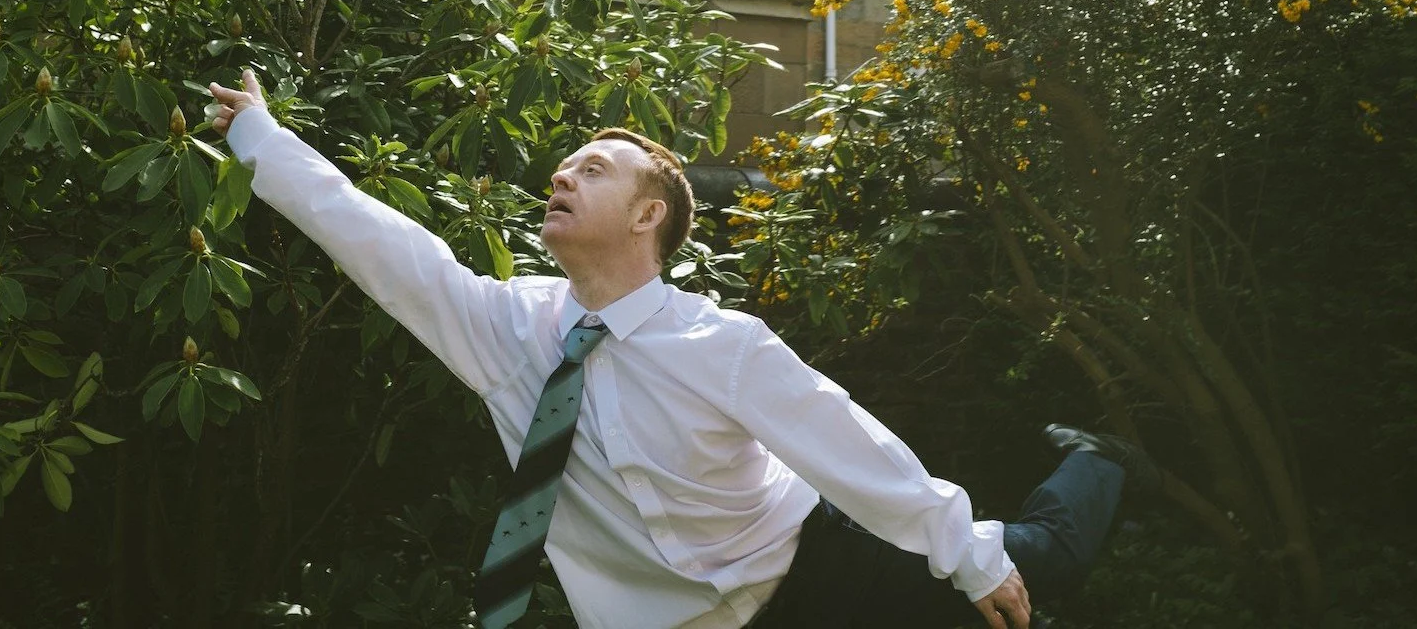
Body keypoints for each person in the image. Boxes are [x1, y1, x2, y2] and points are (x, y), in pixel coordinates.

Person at [208, 69, 1156, 629]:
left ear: (649, 214)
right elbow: (384, 246)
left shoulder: (720, 342)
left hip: (808, 567)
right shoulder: (506, 330)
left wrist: (967, 556)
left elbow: (847, 443)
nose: (563, 172)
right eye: (565, 162)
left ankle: (1095, 461)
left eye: (595, 166)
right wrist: (261, 138)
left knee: (1035, 565)